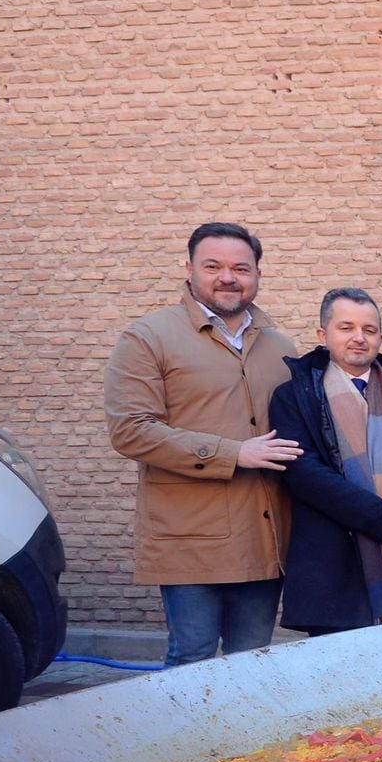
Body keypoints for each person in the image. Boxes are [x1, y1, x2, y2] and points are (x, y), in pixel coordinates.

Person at [104, 223, 301, 666]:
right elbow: (131, 430)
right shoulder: (147, 338)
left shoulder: (279, 346)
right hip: (189, 536)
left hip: (263, 535)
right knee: (192, 658)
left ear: (257, 275)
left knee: (254, 660)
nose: (227, 277)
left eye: (241, 268)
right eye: (213, 266)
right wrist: (234, 453)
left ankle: (251, 738)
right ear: (189, 268)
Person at [267, 288, 382, 633]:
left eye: (369, 330)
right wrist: (380, 518)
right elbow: (302, 471)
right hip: (334, 562)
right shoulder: (293, 396)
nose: (359, 338)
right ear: (322, 334)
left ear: (381, 337)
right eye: (346, 327)